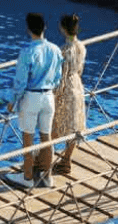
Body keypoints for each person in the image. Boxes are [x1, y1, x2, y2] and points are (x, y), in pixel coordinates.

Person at [9, 12, 64, 187]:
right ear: (44, 28)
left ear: (28, 29)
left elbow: (20, 81)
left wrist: (13, 101)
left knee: (28, 138)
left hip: (31, 96)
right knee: (46, 137)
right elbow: (58, 77)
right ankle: (47, 176)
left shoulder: (27, 51)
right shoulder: (55, 49)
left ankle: (27, 178)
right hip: (49, 96)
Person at [51, 13, 86, 176]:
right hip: (77, 86)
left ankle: (45, 160)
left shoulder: (63, 50)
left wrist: (54, 94)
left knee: (53, 124)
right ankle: (66, 160)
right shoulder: (81, 47)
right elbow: (79, 70)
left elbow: (61, 76)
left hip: (66, 89)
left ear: (63, 29)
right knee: (73, 125)